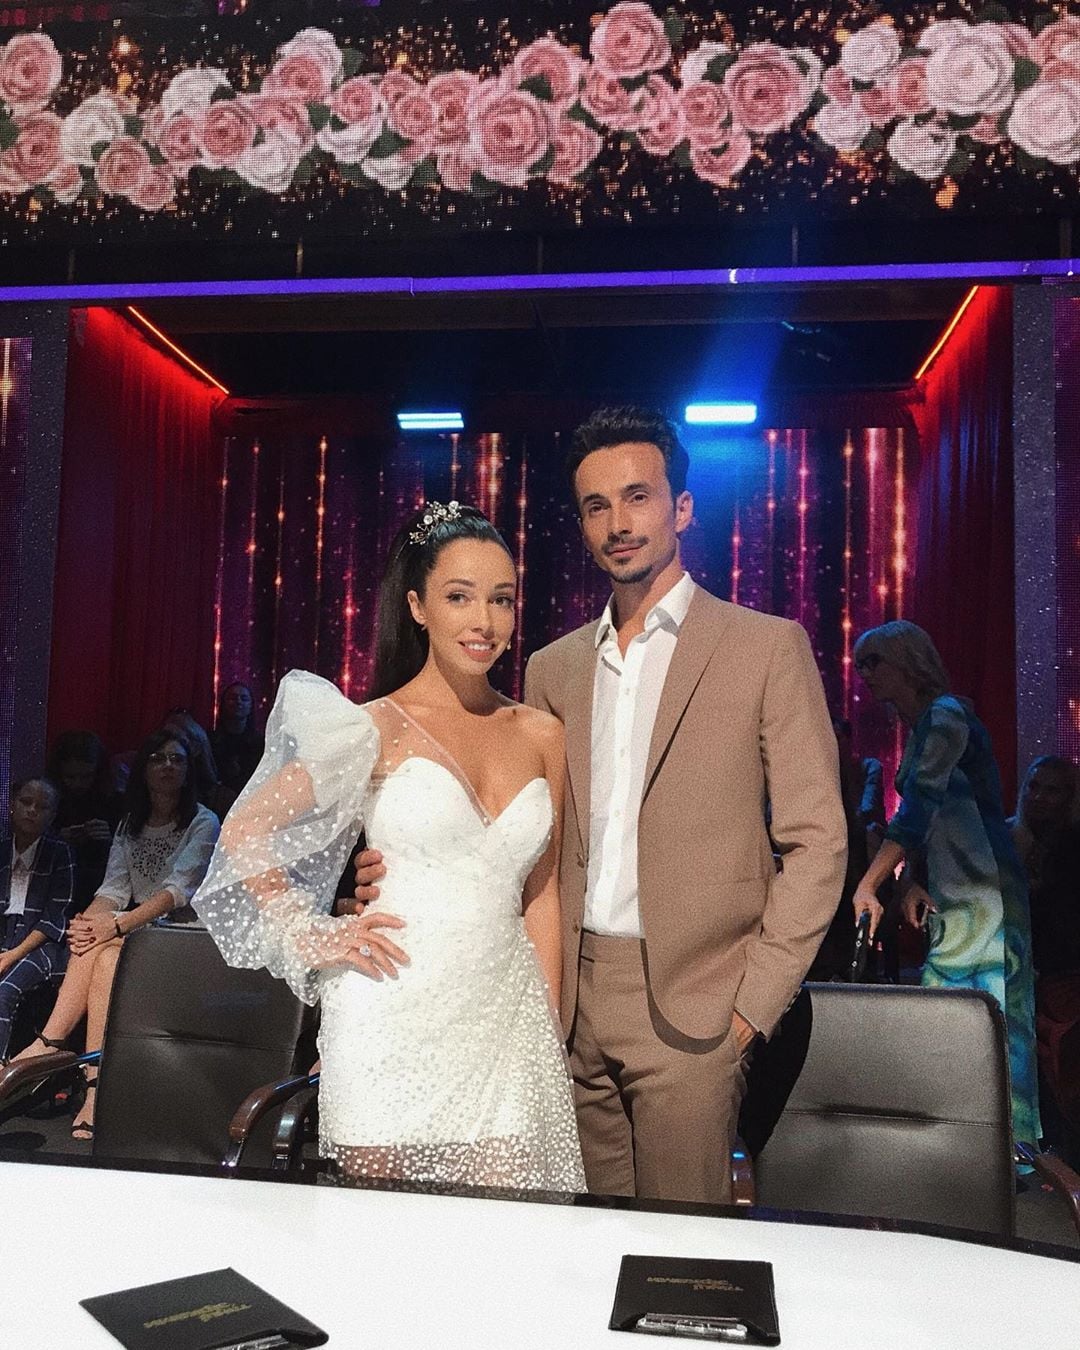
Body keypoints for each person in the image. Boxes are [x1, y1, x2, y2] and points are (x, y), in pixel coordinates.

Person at [356, 407, 847, 1203]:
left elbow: (818, 842)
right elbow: (518, 839)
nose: (618, 523)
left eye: (637, 497)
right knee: (577, 1244)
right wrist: (393, 873)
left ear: (681, 508)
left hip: (699, 1005)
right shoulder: (552, 669)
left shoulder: (764, 647)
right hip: (567, 999)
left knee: (679, 1254)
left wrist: (751, 1006)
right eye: (596, 506)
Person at [193, 503, 584, 1191]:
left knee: (508, 1232)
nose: (484, 621)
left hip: (506, 1023)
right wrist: (312, 932)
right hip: (389, 1008)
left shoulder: (542, 735)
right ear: (417, 607)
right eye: (459, 597)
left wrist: (547, 1029)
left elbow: (542, 895)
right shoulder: (369, 728)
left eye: (501, 599)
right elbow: (246, 829)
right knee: (382, 1232)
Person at [851, 620, 1041, 1148]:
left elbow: (919, 806)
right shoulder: (922, 728)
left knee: (996, 1017)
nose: (865, 674)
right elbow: (929, 821)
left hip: (987, 891)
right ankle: (959, 1146)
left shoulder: (948, 715)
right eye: (861, 664)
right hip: (952, 892)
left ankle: (1013, 1152)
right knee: (949, 1019)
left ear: (908, 661)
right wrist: (911, 879)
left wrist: (870, 883)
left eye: (874, 661)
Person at [13, 730, 220, 1138]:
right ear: (143, 769)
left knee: (106, 945)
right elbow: (113, 890)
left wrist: (115, 924)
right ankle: (93, 1086)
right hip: (138, 933)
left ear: (188, 769)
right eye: (158, 758)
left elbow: (176, 892)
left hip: (185, 936)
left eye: (176, 759)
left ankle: (52, 1046)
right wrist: (87, 924)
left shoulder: (204, 821)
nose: (167, 766)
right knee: (99, 950)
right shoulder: (130, 824)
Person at [1011, 755, 1080, 1162]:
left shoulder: (1072, 848)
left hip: (1064, 979)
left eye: (1051, 790)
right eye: (1033, 787)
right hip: (1024, 977)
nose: (1039, 797)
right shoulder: (1010, 839)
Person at [0, 779, 75, 1061]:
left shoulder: (60, 853)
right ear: (12, 805)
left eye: (42, 807)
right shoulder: (2, 849)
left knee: (4, 992)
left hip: (40, 944)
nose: (32, 810)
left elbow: (53, 920)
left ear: (52, 815)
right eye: (26, 802)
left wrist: (12, 955)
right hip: (5, 936)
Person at [807, 719, 886, 980]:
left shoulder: (867, 767)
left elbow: (867, 809)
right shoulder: (815, 771)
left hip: (860, 841)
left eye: (838, 736)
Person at [46, 730, 120, 913]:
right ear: (59, 773)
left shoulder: (116, 802)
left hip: (102, 885)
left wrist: (111, 838)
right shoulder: (48, 801)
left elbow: (129, 857)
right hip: (54, 884)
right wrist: (56, 838)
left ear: (98, 772)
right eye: (70, 777)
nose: (78, 784)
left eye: (86, 776)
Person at [210, 682, 265, 798]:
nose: (238, 702)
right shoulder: (210, 740)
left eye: (244, 699)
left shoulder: (261, 743)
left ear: (251, 706)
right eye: (233, 698)